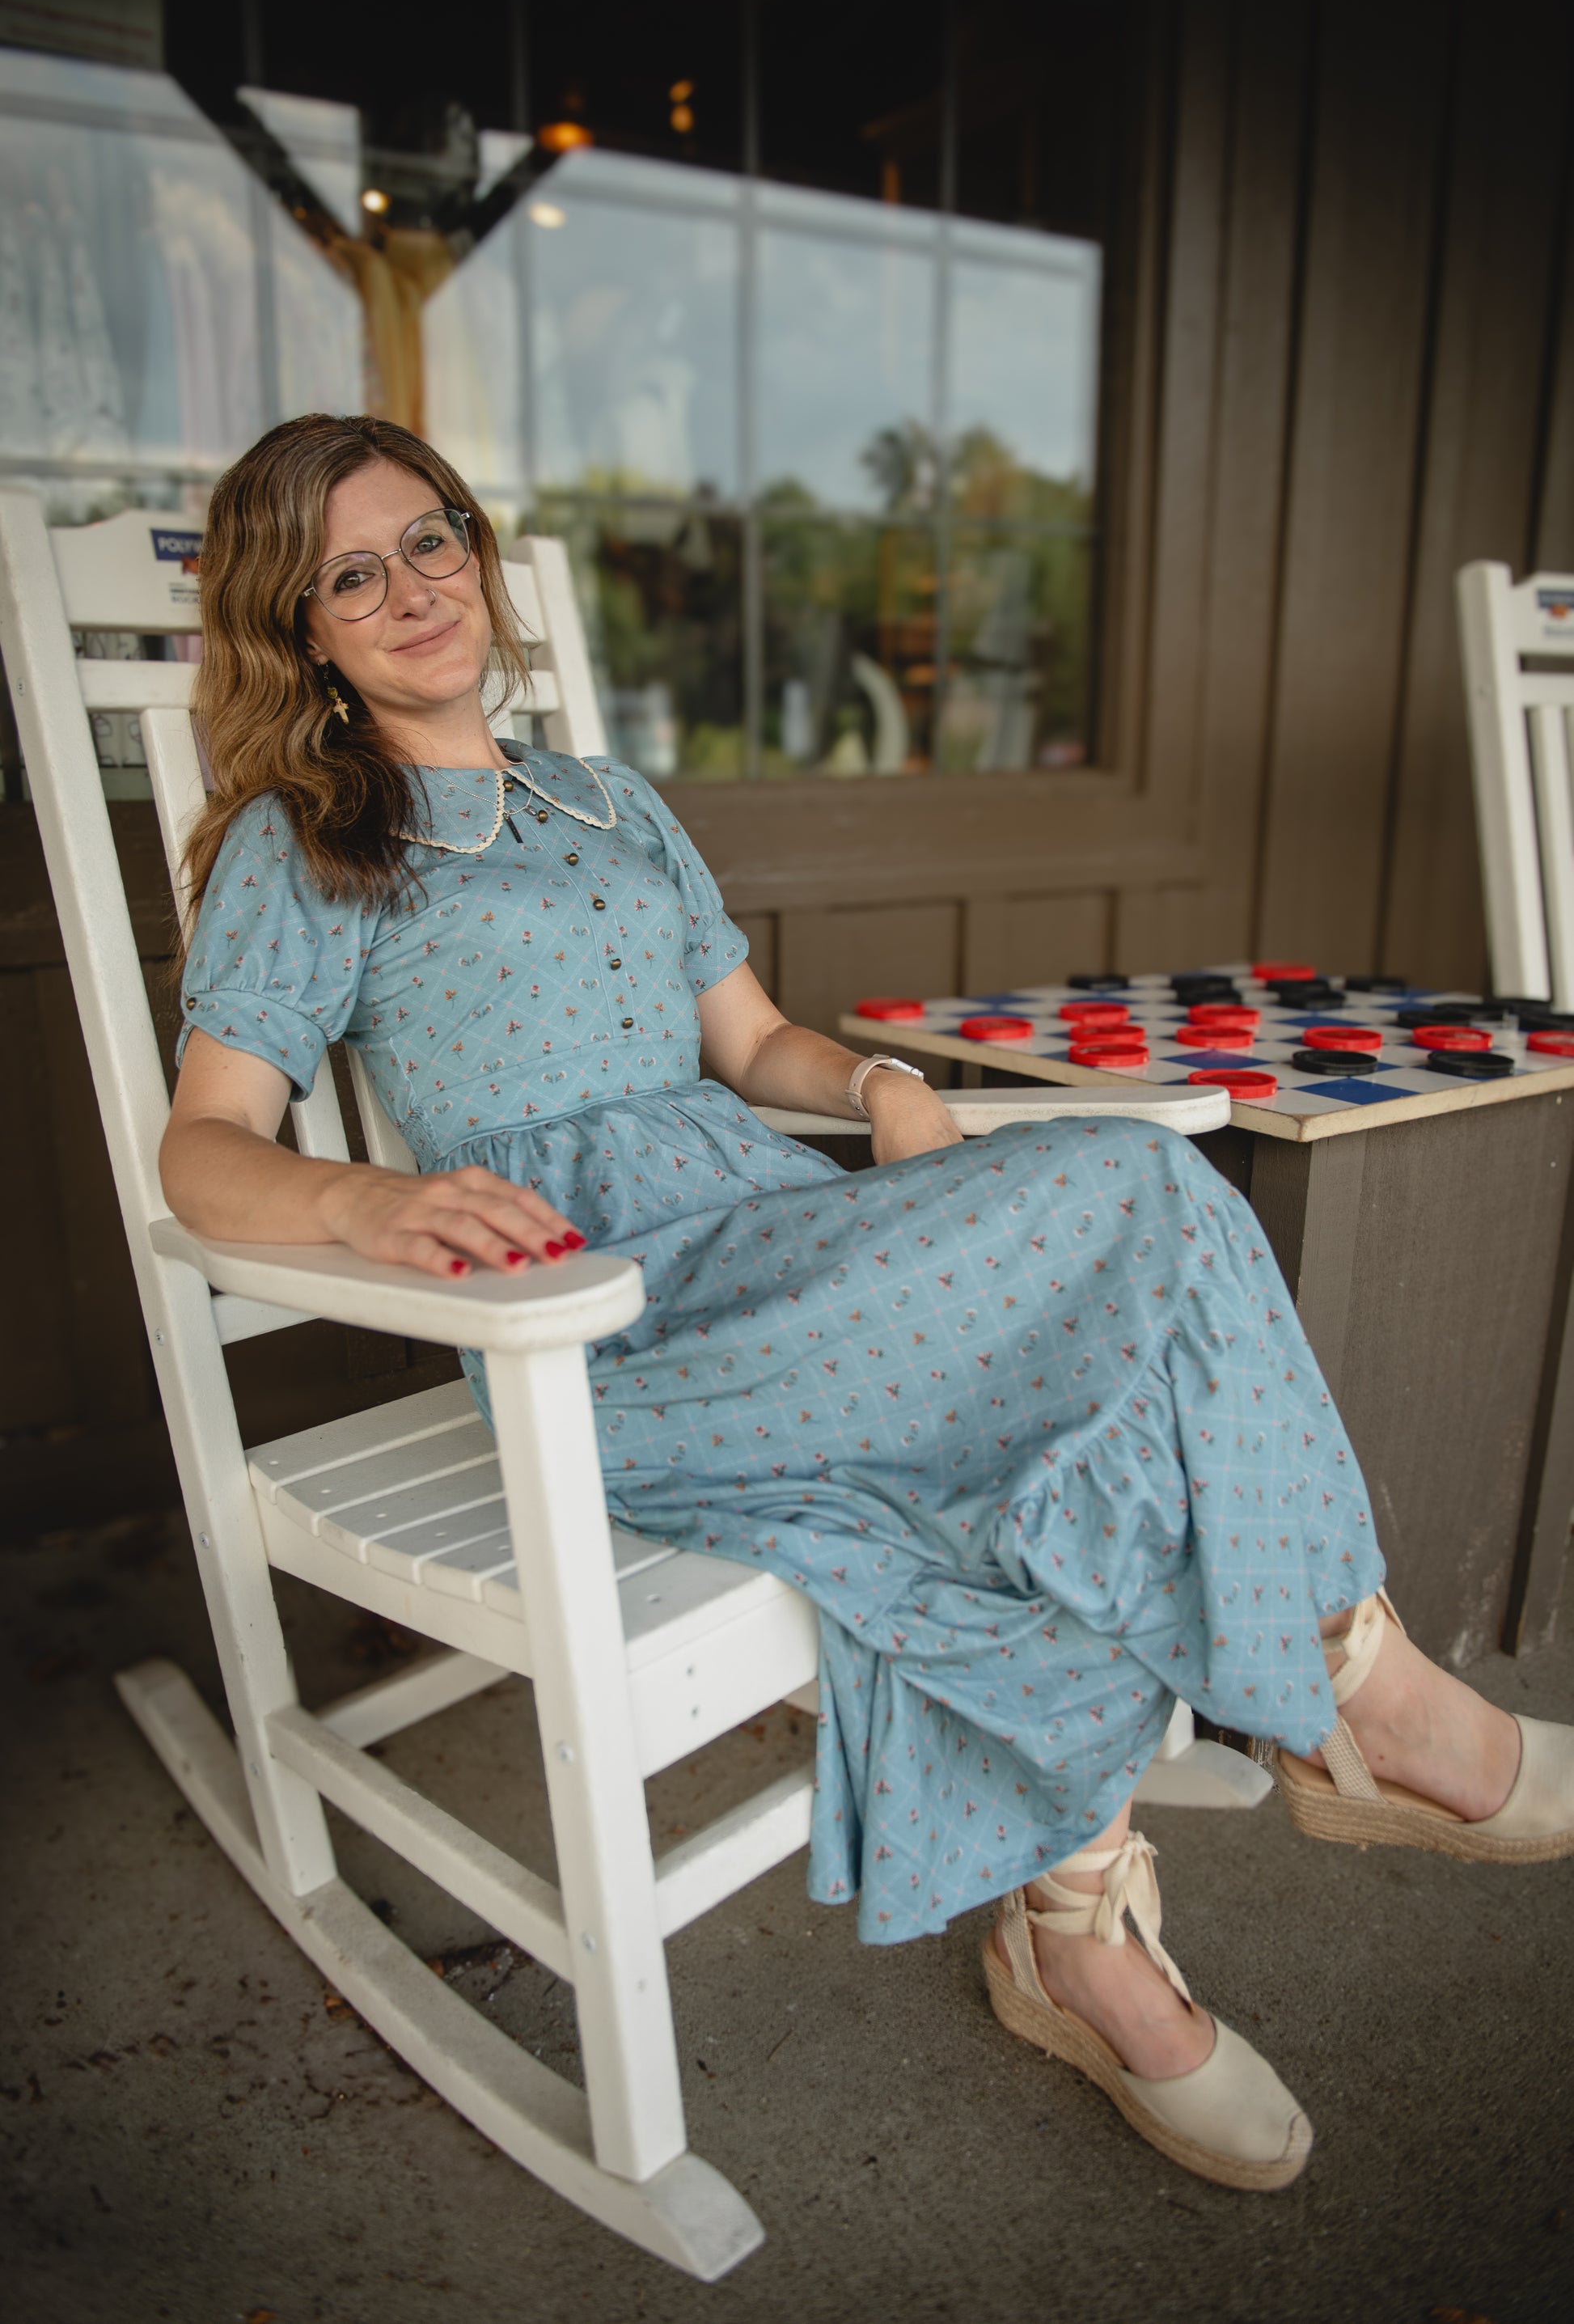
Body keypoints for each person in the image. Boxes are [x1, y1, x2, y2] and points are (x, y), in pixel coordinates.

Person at [160, 413, 1574, 2195]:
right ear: (305, 633)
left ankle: (1077, 1942)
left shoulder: (614, 804)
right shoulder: (315, 851)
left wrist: (877, 1088)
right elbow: (205, 1148)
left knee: (1081, 1381)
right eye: (348, 573)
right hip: (609, 1319)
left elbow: (748, 1045)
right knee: (1139, 1191)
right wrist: (368, 1199)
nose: (408, 587)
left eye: (427, 538)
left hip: (782, 1238)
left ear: (476, 550)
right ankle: (1357, 1693)